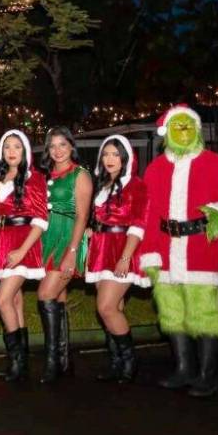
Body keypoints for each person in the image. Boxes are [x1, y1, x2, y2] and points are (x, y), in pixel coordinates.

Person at [140, 105, 218, 398]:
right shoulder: (156, 168)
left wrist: (216, 218)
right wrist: (148, 254)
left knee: (204, 313)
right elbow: (147, 216)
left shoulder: (214, 163)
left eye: (188, 125)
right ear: (168, 133)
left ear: (197, 129)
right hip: (164, 249)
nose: (183, 130)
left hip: (200, 249)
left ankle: (206, 375)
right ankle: (183, 369)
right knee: (172, 313)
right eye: (177, 126)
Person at [85, 134, 148, 384]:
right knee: (116, 307)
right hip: (101, 251)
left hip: (123, 251)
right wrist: (92, 231)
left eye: (115, 154)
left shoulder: (136, 185)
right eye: (106, 154)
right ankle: (116, 362)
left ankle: (130, 361)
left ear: (125, 158)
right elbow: (101, 218)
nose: (110, 159)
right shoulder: (101, 185)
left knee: (106, 307)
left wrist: (126, 256)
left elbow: (138, 223)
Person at [0, 129, 49, 382]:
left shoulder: (33, 178)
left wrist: (22, 250)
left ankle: (17, 360)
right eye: (7, 147)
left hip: (22, 243)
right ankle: (21, 361)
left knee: (2, 300)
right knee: (14, 301)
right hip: (1, 241)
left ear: (25, 151)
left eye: (17, 147)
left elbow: (41, 219)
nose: (11, 152)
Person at [36, 127, 92, 383]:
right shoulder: (48, 175)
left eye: (62, 145)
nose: (57, 150)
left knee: (45, 294)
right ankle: (63, 360)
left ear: (71, 146)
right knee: (57, 296)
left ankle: (51, 363)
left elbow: (82, 216)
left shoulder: (80, 175)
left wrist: (72, 252)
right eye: (52, 146)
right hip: (49, 238)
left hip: (69, 238)